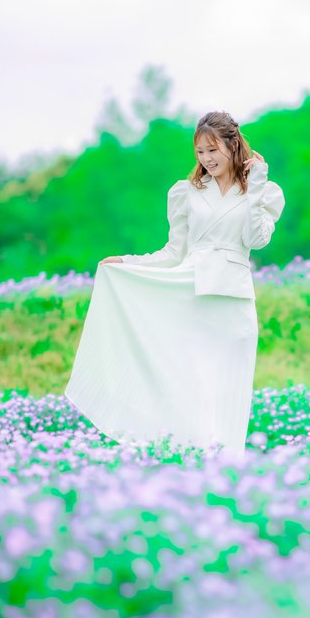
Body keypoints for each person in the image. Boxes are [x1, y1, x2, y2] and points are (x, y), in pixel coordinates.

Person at [64, 110, 285, 456]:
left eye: (213, 150)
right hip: (191, 294)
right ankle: (187, 461)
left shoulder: (264, 190)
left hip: (234, 302)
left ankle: (226, 468)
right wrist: (128, 263)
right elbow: (173, 252)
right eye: (199, 152)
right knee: (190, 386)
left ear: (232, 144)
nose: (206, 159)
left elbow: (255, 240)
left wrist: (255, 185)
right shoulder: (187, 192)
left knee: (230, 389)